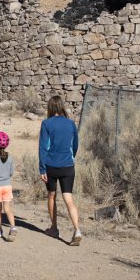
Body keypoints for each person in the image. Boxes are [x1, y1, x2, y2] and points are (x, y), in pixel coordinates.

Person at [38, 95, 83, 245]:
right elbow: (75, 145)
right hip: (68, 166)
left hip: (51, 166)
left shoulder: (46, 124)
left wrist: (42, 168)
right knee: (68, 197)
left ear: (50, 108)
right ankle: (77, 230)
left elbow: (43, 148)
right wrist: (70, 158)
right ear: (62, 106)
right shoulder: (71, 124)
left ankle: (54, 228)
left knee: (51, 195)